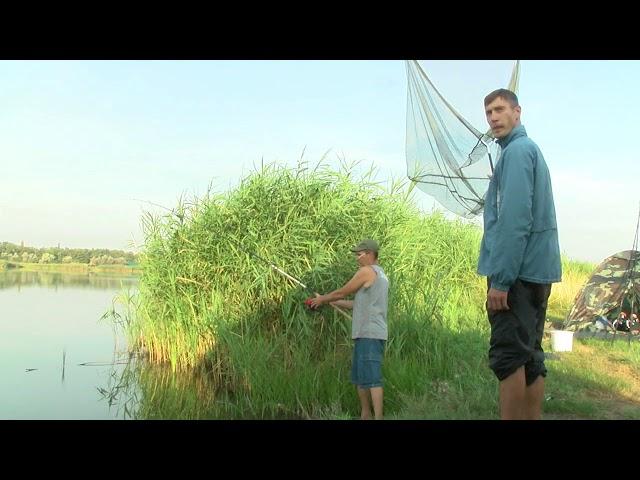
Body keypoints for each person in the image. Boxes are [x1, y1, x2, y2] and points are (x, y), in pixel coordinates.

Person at [477, 89, 562, 420]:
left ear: (517, 112)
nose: (493, 118)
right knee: (530, 357)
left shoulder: (516, 153)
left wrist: (501, 279)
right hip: (538, 273)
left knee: (509, 357)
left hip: (518, 275)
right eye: (488, 113)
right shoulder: (528, 151)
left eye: (499, 110)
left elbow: (515, 221)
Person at [308, 239, 389, 420]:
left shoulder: (366, 271)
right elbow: (355, 303)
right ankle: (365, 414)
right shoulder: (381, 275)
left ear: (369, 253)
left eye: (358, 254)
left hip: (370, 333)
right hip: (365, 333)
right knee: (360, 377)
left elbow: (342, 292)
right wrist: (329, 300)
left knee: (373, 377)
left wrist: (324, 299)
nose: (357, 259)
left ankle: (378, 417)